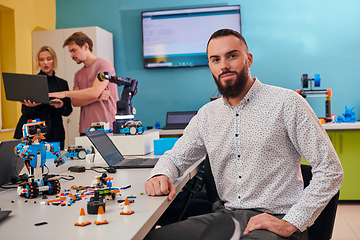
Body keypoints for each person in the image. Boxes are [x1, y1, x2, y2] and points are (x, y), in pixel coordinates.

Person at [144, 29, 344, 240]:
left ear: (248, 59)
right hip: (226, 219)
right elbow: (176, 158)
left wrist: (291, 222)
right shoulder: (207, 115)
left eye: (232, 56)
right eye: (215, 59)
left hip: (275, 221)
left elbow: (330, 168)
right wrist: (161, 174)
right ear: (210, 66)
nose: (224, 65)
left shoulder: (286, 103)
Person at [49, 32, 118, 135]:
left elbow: (94, 91)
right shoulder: (78, 74)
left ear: (86, 46)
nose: (72, 55)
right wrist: (97, 97)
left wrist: (65, 93)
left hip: (107, 126)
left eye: (74, 50)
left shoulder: (104, 65)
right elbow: (76, 102)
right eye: (70, 52)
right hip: (86, 129)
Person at [14, 46, 72, 150]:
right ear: (38, 63)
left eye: (49, 59)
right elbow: (25, 112)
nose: (45, 63)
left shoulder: (62, 84)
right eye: (42, 60)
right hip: (33, 132)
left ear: (54, 61)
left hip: (55, 132)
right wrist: (31, 106)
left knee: (56, 163)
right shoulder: (31, 82)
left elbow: (68, 111)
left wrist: (60, 106)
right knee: (33, 164)